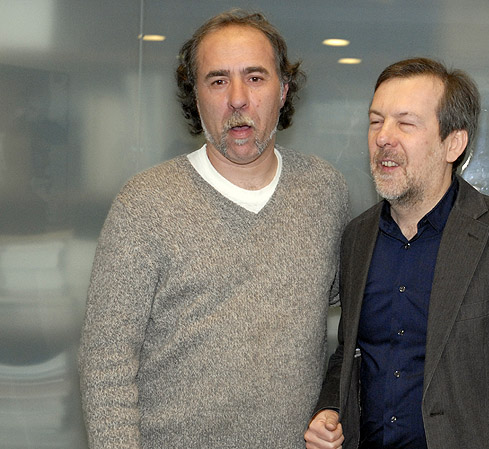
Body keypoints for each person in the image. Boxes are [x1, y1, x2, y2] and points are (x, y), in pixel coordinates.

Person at [78, 9, 349, 449]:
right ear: (196, 95)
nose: (238, 99)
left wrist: (332, 405)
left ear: (283, 90)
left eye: (255, 78)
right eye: (218, 80)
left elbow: (359, 320)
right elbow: (106, 363)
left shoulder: (325, 191)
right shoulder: (144, 205)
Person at [304, 57, 489, 449]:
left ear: (453, 143)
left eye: (405, 123)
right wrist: (330, 409)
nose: (383, 137)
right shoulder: (357, 238)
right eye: (376, 121)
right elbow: (350, 354)